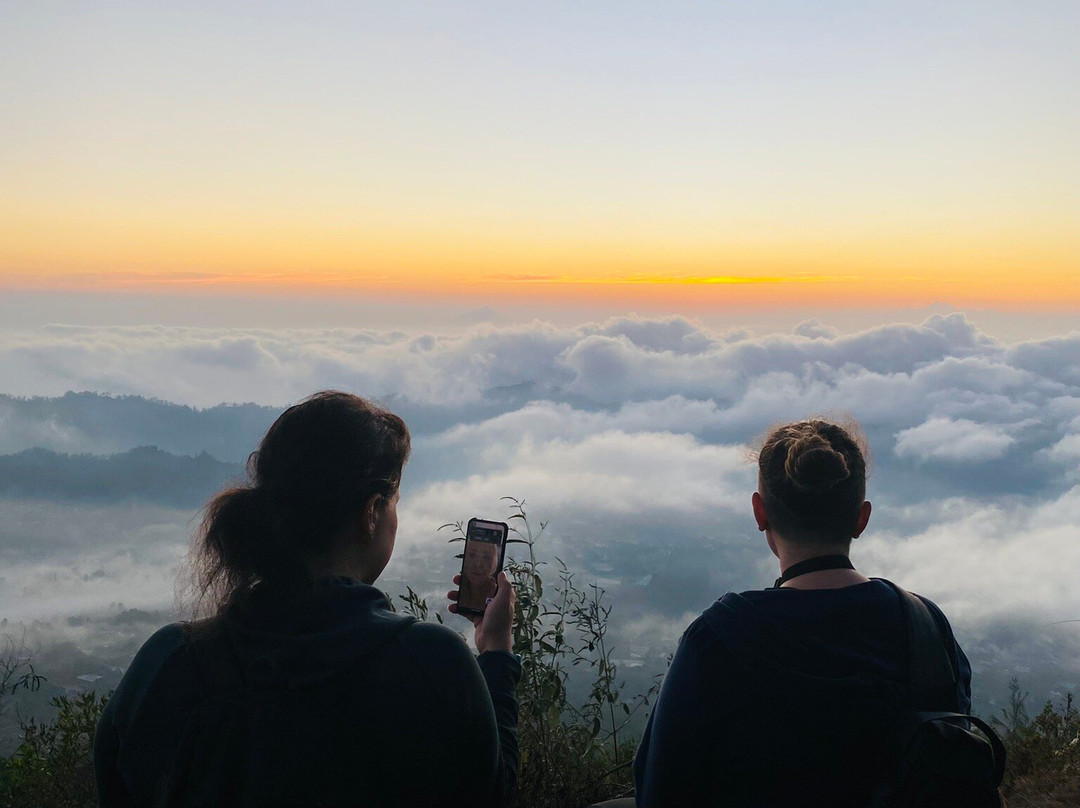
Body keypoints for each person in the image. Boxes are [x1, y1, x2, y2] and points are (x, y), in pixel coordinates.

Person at [94, 391, 521, 808]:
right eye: (394, 503)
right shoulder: (432, 664)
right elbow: (491, 792)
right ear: (372, 512)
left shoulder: (167, 662)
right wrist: (496, 653)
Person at [632, 418, 972, 807]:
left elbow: (660, 790)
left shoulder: (718, 640)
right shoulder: (926, 628)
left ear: (760, 513)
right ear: (862, 518)